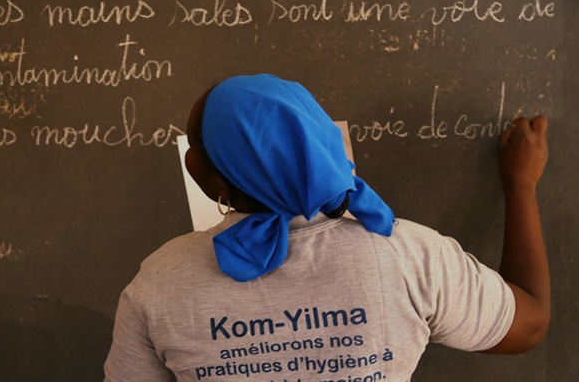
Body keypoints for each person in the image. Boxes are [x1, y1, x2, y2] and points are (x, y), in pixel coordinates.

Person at [104, 75, 550, 381]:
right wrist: (521, 183)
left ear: (205, 177)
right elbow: (528, 324)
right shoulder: (409, 257)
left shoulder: (159, 283)